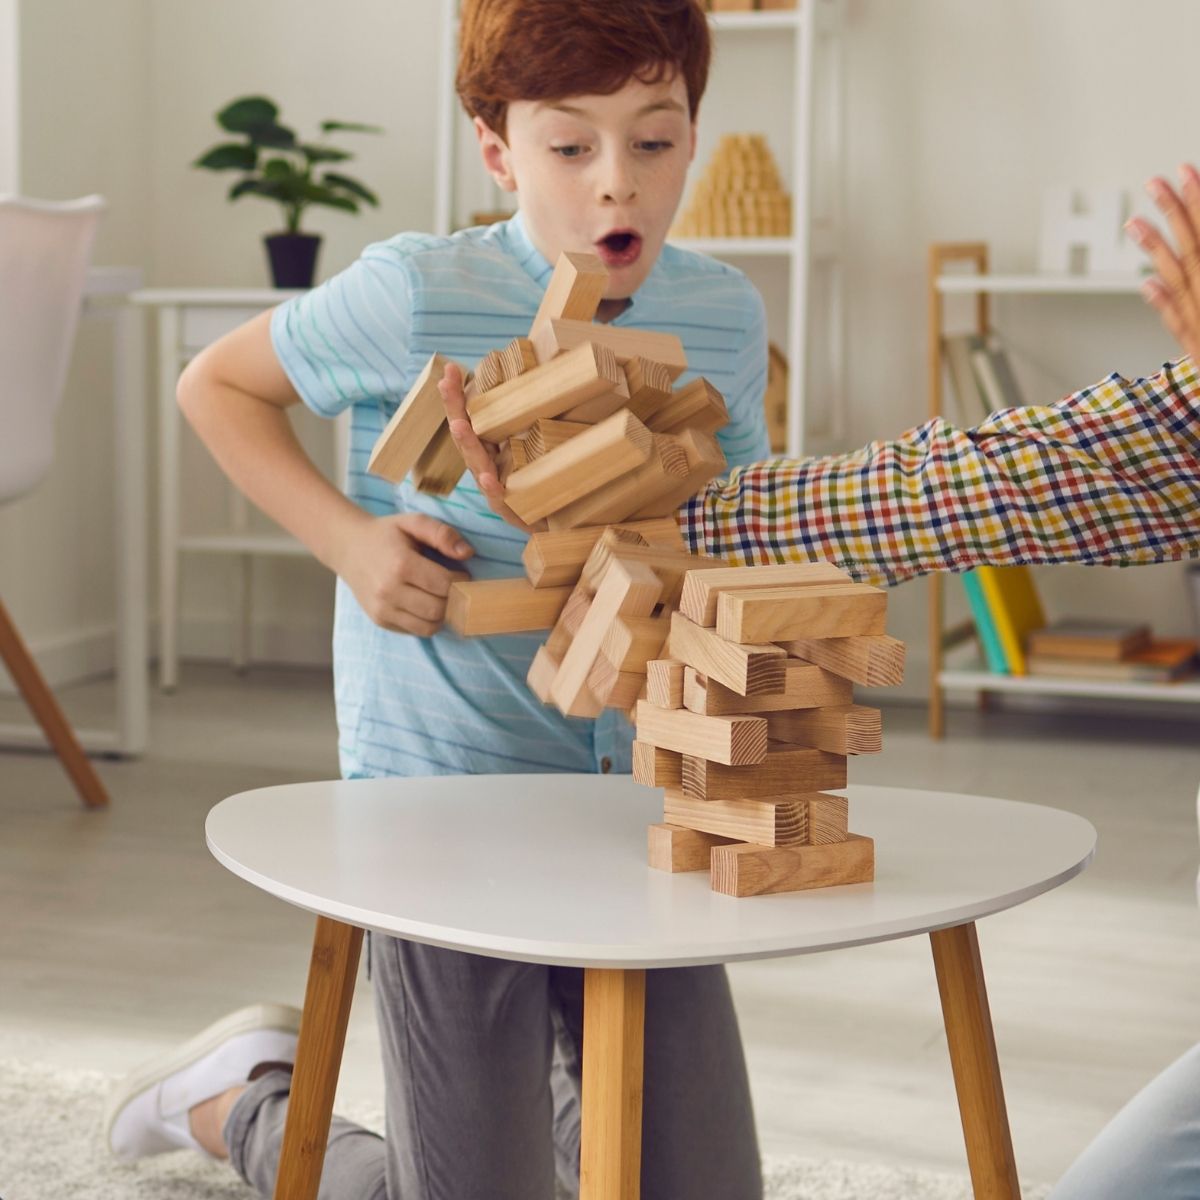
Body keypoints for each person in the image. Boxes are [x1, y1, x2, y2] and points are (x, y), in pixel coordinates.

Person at [106, 4, 772, 1199]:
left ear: (694, 136)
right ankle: (240, 1101)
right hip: (441, 794)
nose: (617, 186)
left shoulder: (723, 315)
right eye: (571, 148)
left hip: (635, 803)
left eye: (655, 142)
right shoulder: (419, 291)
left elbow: (736, 526)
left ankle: (553, 1114)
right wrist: (351, 543)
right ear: (498, 150)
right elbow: (215, 387)